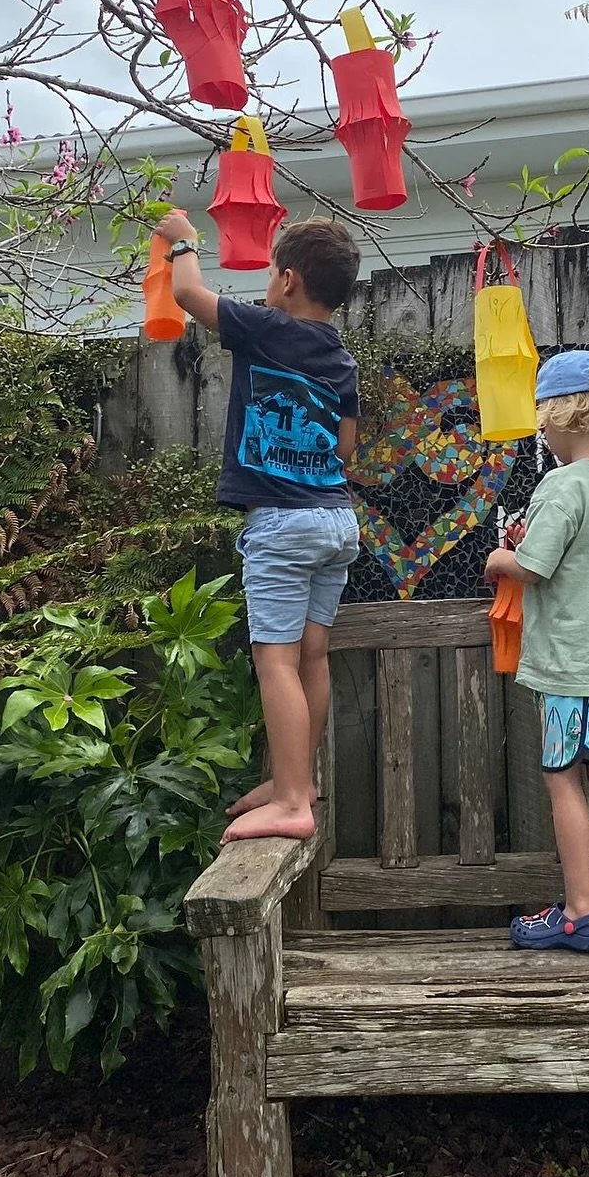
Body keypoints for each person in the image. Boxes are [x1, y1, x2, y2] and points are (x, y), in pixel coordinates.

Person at [154, 208, 362, 844]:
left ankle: (293, 799)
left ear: (288, 279)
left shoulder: (266, 327)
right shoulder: (341, 358)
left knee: (274, 661)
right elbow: (346, 447)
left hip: (283, 525)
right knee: (312, 656)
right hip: (336, 521)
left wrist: (181, 240)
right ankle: (296, 780)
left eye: (272, 272)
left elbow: (188, 294)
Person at [484, 350, 589, 951]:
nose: (542, 434)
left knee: (563, 781)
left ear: (564, 415)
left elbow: (531, 566)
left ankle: (579, 912)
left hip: (566, 668)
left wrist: (500, 557)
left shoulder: (561, 484)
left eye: (543, 420)